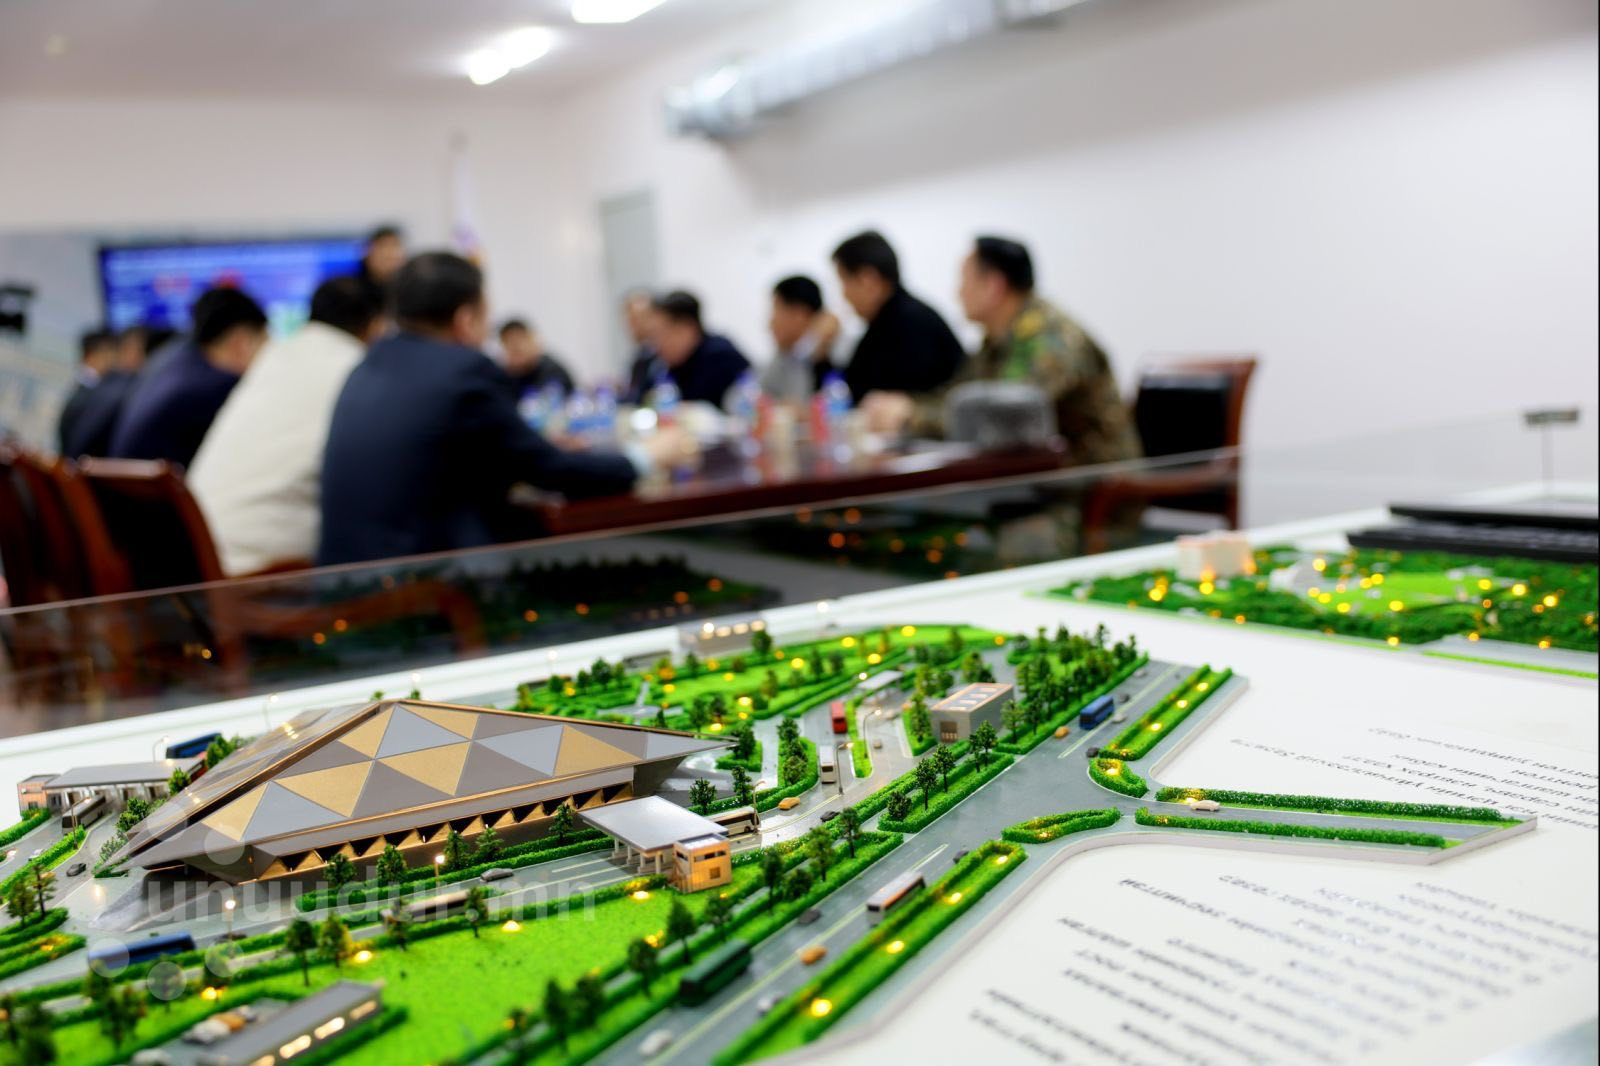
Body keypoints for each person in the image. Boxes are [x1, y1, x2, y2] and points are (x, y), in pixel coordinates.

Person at [318, 253, 688, 566]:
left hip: (345, 578)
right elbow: (550, 470)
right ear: (466, 320)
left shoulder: (367, 366)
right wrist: (645, 457)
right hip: (427, 590)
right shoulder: (463, 370)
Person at [188, 277, 386, 576]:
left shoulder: (277, 355)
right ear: (376, 325)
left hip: (198, 560)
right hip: (263, 575)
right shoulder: (356, 369)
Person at [938, 236, 1141, 464]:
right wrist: (911, 411)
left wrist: (915, 417)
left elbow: (1007, 416)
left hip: (1094, 474)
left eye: (965, 281)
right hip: (1042, 470)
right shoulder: (998, 340)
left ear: (993, 286)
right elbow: (960, 397)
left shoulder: (1052, 336)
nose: (958, 293)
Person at [108, 287, 268, 466]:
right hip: (162, 482)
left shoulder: (171, 357)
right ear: (241, 343)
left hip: (128, 479)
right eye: (264, 343)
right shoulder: (215, 386)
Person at [832, 230, 965, 411]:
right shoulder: (883, 322)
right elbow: (851, 388)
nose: (844, 294)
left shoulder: (913, 322)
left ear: (868, 280)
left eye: (844, 282)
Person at [642, 290, 750, 409]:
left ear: (688, 329)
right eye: (654, 337)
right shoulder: (663, 364)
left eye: (662, 334)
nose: (657, 344)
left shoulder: (722, 357)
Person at [760, 275, 840, 404]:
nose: (770, 324)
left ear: (799, 315)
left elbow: (801, 401)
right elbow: (752, 394)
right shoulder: (785, 354)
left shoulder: (834, 348)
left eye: (776, 311)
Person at [56, 329, 117, 456]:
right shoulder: (91, 399)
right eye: (107, 354)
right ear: (91, 355)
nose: (113, 361)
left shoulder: (84, 393)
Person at [498, 319, 575, 397]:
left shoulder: (553, 372)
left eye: (517, 348)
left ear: (532, 340)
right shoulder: (509, 376)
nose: (513, 355)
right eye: (508, 348)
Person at [620, 288, 659, 404]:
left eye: (636, 319)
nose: (631, 326)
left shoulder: (664, 356)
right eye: (629, 319)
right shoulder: (641, 356)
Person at [357, 224, 406, 299]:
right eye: (383, 247)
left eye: (395, 246)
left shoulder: (410, 290)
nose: (390, 254)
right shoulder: (352, 291)